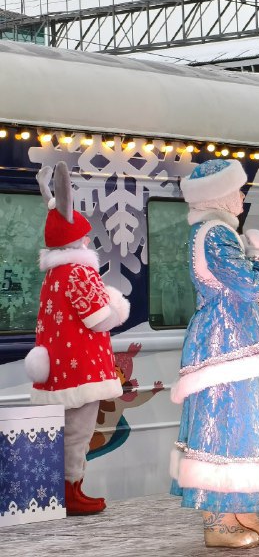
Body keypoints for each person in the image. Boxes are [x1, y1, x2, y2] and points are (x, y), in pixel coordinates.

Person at [169, 159, 259, 549]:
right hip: (222, 344)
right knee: (222, 427)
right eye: (237, 190)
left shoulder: (214, 232)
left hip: (230, 344)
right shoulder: (215, 233)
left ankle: (241, 513)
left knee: (240, 426)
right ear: (219, 194)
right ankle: (219, 522)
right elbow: (247, 283)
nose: (242, 196)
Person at [24, 161, 130, 516]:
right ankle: (72, 492)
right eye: (84, 235)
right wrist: (117, 304)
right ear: (75, 239)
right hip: (82, 367)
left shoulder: (53, 275)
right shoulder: (80, 272)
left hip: (57, 367)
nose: (88, 239)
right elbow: (98, 318)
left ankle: (64, 490)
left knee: (64, 432)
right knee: (78, 433)